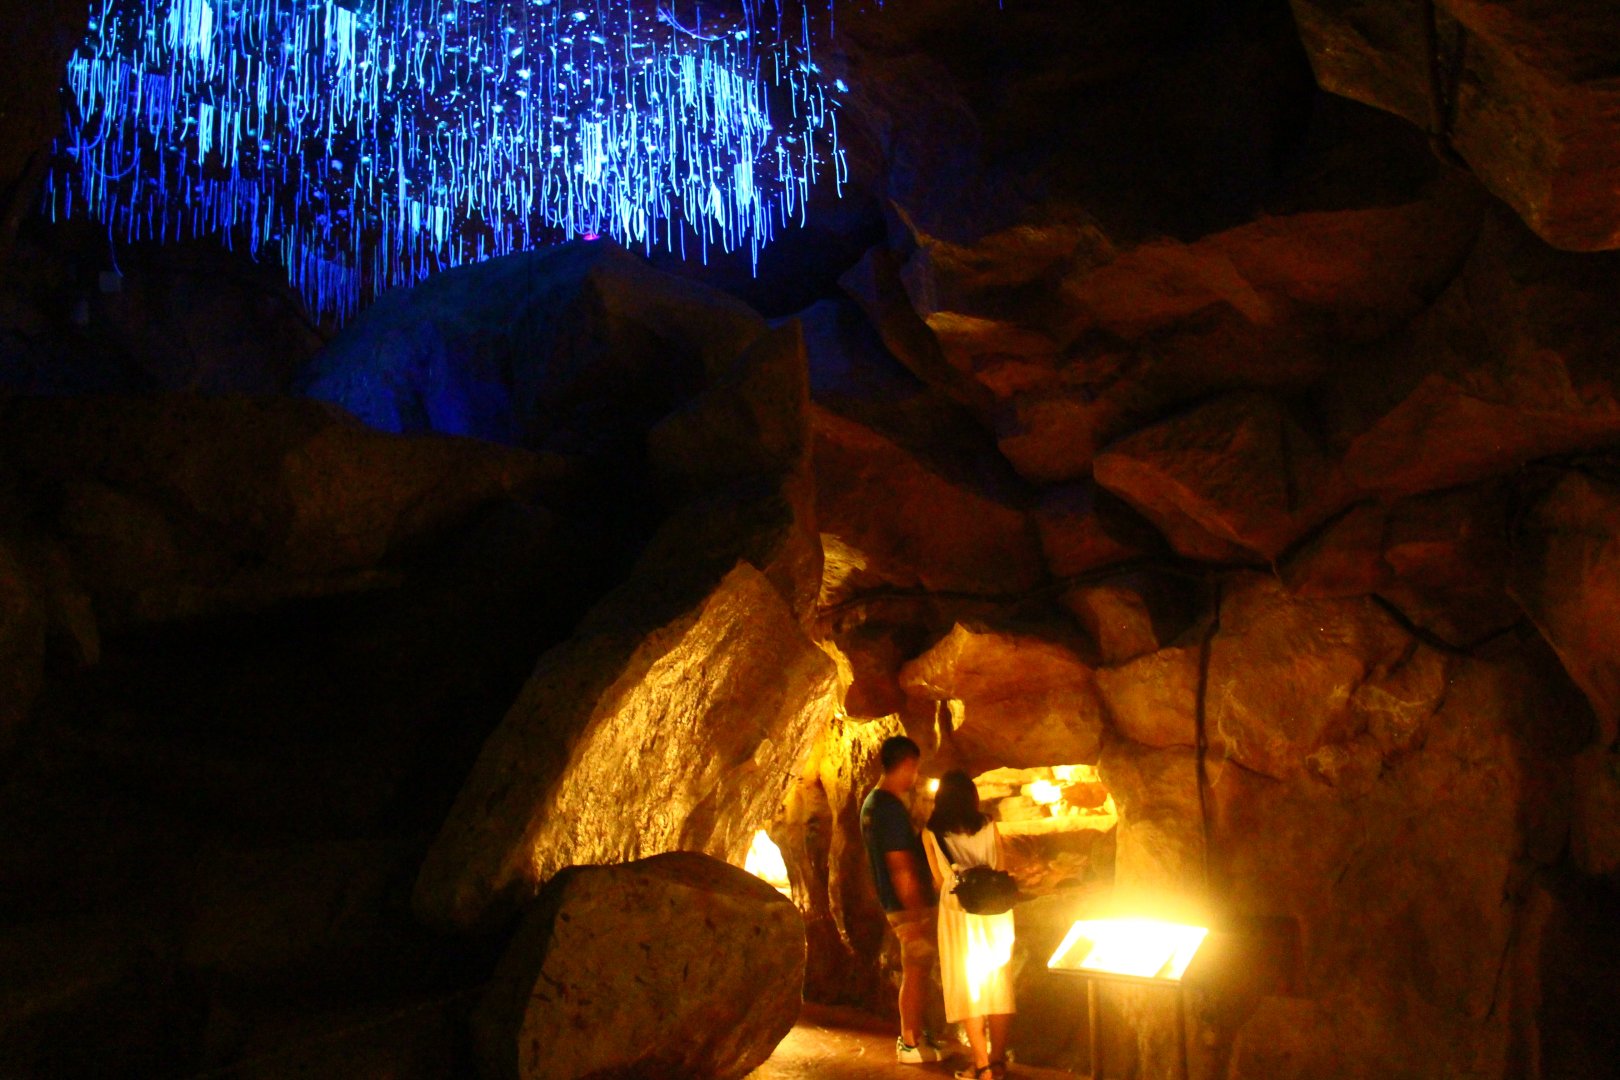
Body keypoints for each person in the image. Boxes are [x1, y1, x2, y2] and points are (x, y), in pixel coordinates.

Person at [922, 770, 1017, 1080]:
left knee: (969, 986)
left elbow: (939, 880)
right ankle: (998, 1060)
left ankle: (982, 1065)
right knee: (998, 983)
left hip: (959, 916)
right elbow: (1001, 866)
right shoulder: (989, 825)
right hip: (997, 912)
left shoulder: (932, 833)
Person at [860, 735, 946, 1064]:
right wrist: (916, 913)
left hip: (894, 903)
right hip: (906, 906)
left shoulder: (872, 803)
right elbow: (900, 865)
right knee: (915, 971)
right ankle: (909, 1041)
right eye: (915, 769)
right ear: (908, 764)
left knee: (916, 971)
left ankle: (915, 1035)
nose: (915, 777)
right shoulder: (889, 808)